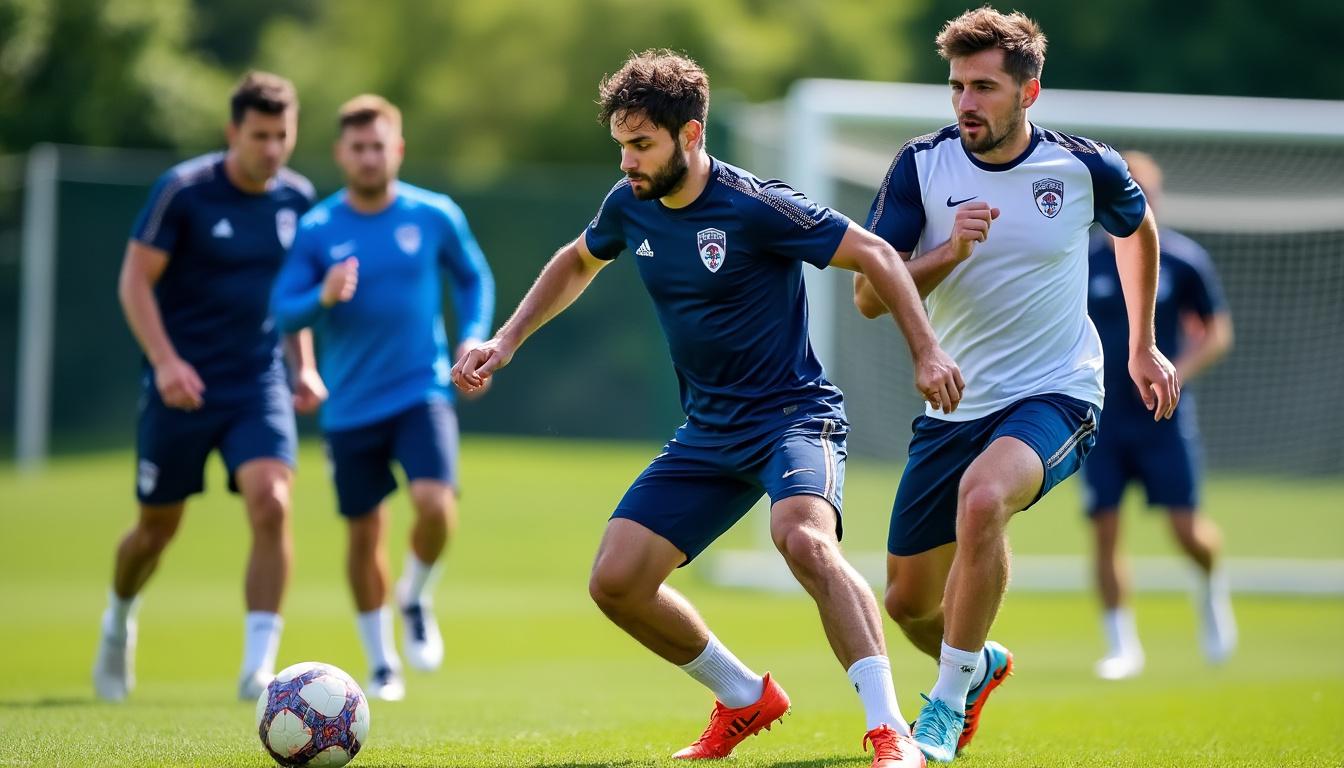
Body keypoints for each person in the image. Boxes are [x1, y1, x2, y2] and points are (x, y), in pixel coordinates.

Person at [454, 49, 963, 767]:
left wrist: (928, 352)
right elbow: (578, 259)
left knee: (805, 542)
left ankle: (890, 732)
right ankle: (744, 695)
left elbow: (878, 254)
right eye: (622, 145)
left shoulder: (756, 204)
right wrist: (505, 341)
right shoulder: (629, 202)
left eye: (641, 144)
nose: (628, 162)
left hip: (793, 416)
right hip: (709, 430)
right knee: (617, 582)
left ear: (690, 135)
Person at [855, 8, 1180, 762]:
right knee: (906, 603)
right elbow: (871, 297)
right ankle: (981, 663)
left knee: (984, 498)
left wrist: (1143, 345)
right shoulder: (921, 167)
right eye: (957, 87)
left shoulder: (1081, 167)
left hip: (1057, 391)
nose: (966, 103)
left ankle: (940, 705)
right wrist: (948, 251)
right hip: (953, 407)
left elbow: (1137, 229)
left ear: (1028, 93)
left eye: (985, 87)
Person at [95, 71, 321, 702]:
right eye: (260, 135)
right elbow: (134, 282)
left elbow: (294, 298)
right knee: (154, 532)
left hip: (257, 382)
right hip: (182, 388)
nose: (272, 149)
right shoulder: (185, 191)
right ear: (233, 132)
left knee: (272, 504)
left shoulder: (297, 200)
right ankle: (118, 621)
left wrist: (302, 364)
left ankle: (258, 670)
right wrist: (165, 362)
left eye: (283, 135)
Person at [271, 95, 494, 701]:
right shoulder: (319, 229)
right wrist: (322, 294)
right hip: (348, 406)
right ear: (342, 154)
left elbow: (474, 276)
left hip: (421, 389)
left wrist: (475, 336)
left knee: (434, 504)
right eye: (358, 148)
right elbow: (282, 308)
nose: (369, 157)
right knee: (364, 533)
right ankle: (380, 663)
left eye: (379, 146)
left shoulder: (433, 214)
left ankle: (415, 594)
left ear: (397, 149)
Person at [1083, 150, 1236, 680]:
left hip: (1163, 419)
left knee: (1186, 530)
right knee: (1104, 528)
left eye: (1146, 194)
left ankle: (1211, 590)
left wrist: (1177, 374)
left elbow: (1217, 332)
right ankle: (1122, 645)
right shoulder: (1085, 263)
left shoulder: (1184, 260)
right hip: (1099, 420)